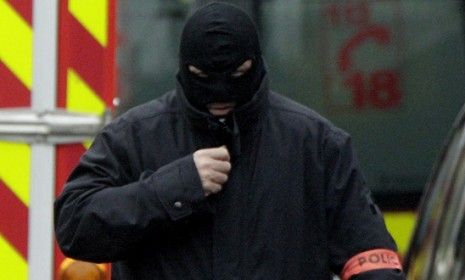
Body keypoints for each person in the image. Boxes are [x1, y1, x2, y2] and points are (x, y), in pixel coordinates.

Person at [55, 2, 406, 279]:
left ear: (255, 65)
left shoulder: (315, 145)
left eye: (237, 76)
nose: (220, 93)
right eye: (204, 78)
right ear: (185, 69)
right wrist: (172, 189)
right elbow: (74, 226)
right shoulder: (133, 138)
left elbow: (368, 254)